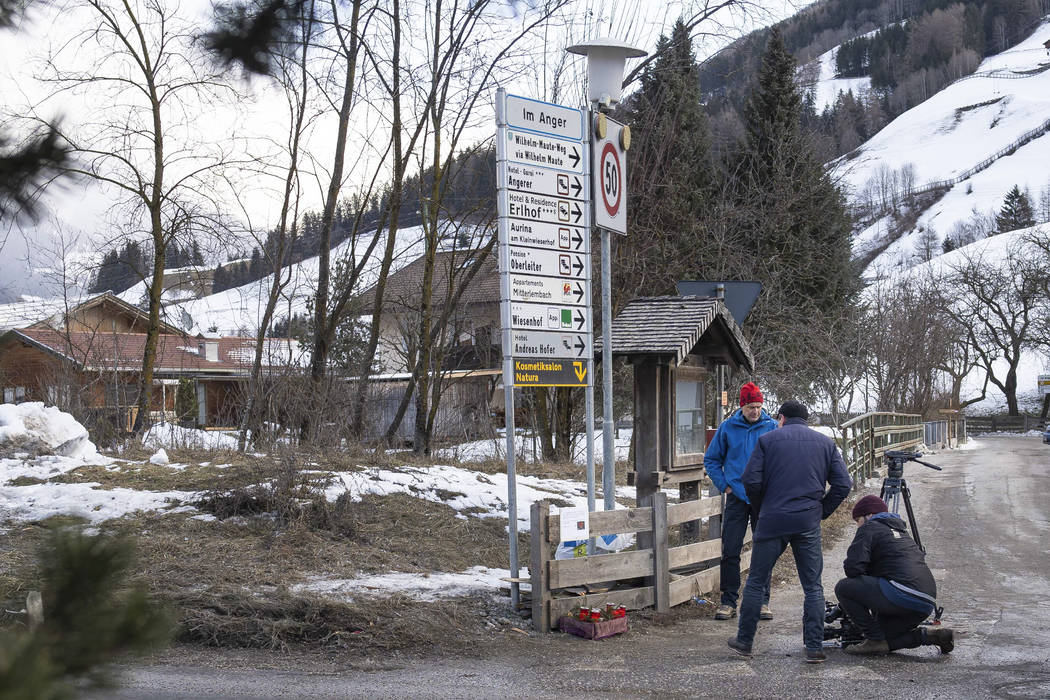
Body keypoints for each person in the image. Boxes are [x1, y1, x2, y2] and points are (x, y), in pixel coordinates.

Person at [727, 400, 852, 664]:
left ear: (781, 418)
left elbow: (750, 480)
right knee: (813, 586)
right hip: (807, 521)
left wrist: (762, 510)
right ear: (806, 420)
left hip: (772, 520)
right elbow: (843, 484)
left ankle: (745, 641)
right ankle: (814, 647)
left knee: (756, 582)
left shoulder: (768, 441)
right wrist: (821, 511)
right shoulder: (826, 444)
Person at [834, 494, 954, 655]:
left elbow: (852, 569)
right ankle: (931, 636)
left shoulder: (870, 527)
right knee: (886, 639)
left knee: (844, 587)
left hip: (902, 594)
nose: (858, 525)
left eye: (858, 520)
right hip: (925, 602)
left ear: (868, 515)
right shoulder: (901, 531)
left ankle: (874, 639)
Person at [704, 382, 778, 621]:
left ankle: (762, 600)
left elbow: (781, 461)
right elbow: (712, 460)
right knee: (731, 549)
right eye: (750, 407)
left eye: (758, 407)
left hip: (763, 497)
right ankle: (728, 601)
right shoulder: (728, 428)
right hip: (736, 495)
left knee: (764, 548)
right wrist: (724, 485)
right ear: (742, 406)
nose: (755, 412)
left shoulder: (772, 428)